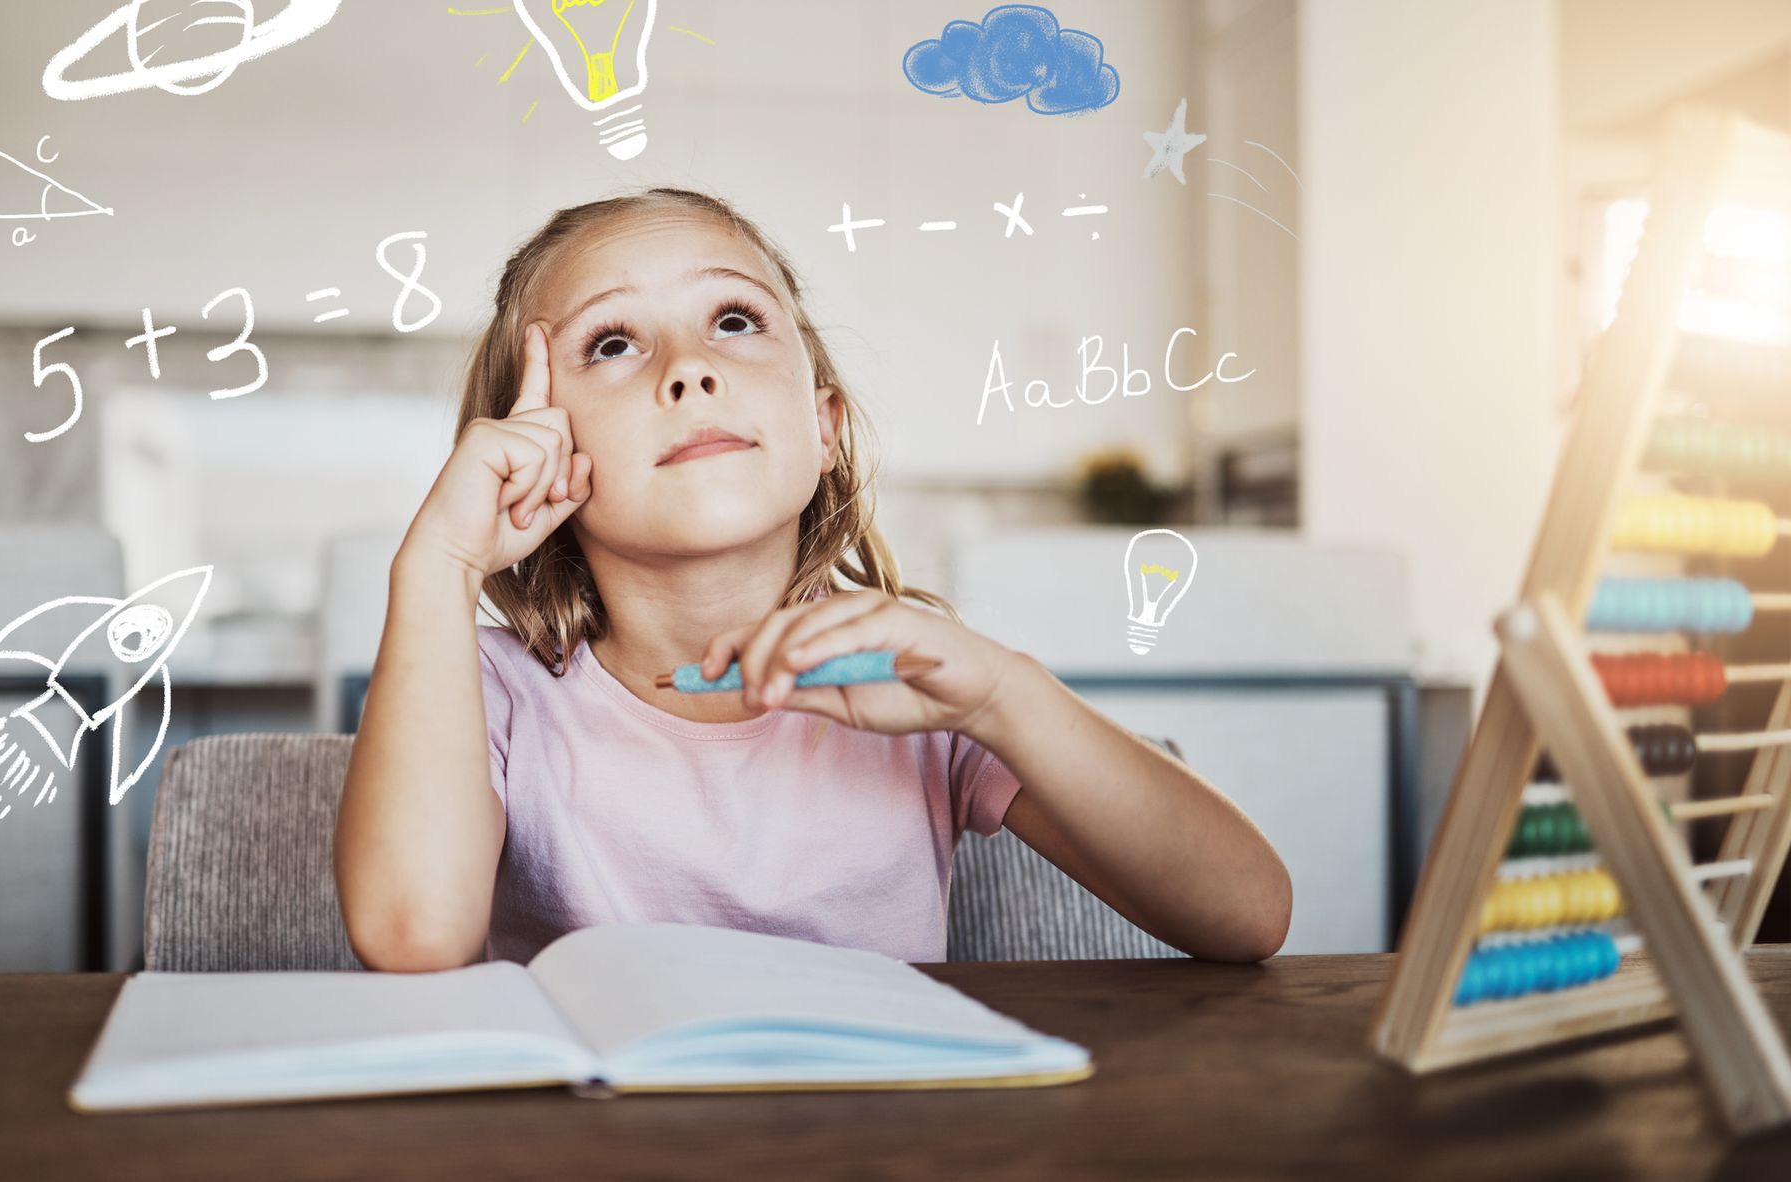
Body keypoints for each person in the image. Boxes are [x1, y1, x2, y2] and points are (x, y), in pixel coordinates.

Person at [334, 188, 1291, 970]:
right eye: (614, 343)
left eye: (735, 320)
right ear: (534, 446)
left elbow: (1248, 915)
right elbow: (415, 939)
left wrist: (1003, 696)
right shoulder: (497, 695)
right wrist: (438, 564)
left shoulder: (918, 685)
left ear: (824, 425)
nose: (690, 370)